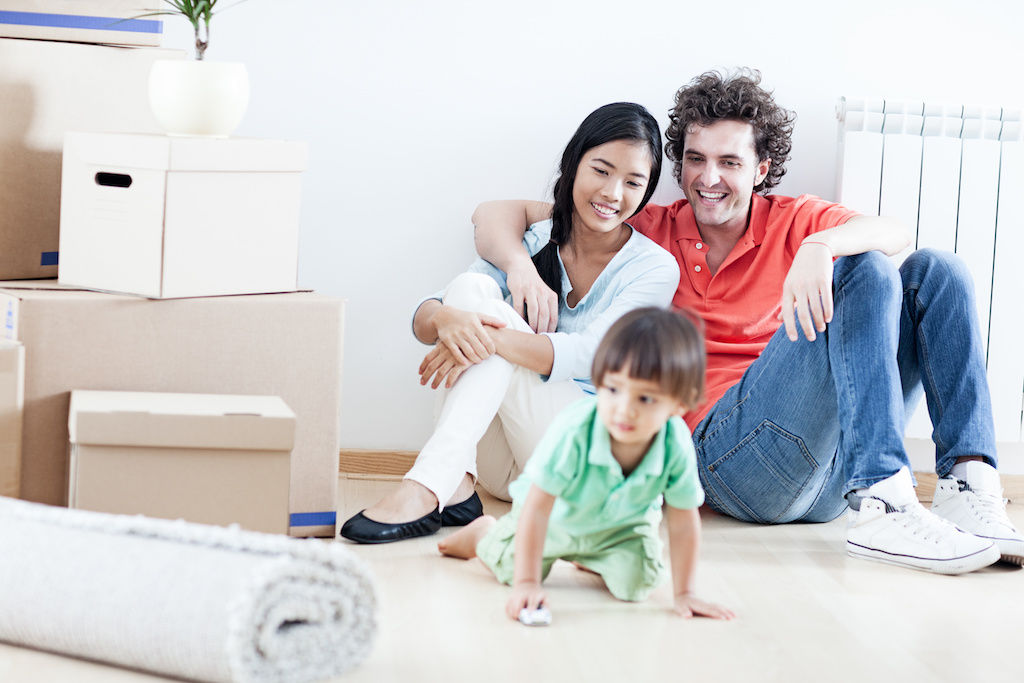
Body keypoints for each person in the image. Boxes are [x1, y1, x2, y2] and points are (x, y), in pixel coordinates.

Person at [472, 69, 1024, 574]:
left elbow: (896, 231)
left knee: (937, 270)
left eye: (730, 163)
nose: (709, 178)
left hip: (829, 474)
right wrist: (519, 265)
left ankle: (966, 483)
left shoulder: (794, 219)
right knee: (868, 273)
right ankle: (882, 494)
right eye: (695, 159)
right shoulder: (648, 230)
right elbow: (497, 212)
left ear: (761, 170)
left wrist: (819, 246)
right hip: (726, 458)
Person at [339, 102, 680, 544]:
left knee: (482, 319)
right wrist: (448, 318)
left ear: (647, 191)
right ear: (574, 165)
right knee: (468, 291)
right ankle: (456, 483)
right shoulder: (534, 241)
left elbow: (587, 357)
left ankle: (428, 486)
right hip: (503, 473)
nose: (613, 192)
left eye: (633, 182)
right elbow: (429, 317)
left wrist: (479, 334)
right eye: (601, 170)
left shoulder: (654, 268)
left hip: (578, 462)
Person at [439, 308, 734, 621]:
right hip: (553, 521)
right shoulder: (576, 429)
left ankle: (593, 557)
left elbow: (684, 519)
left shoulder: (675, 441)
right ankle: (485, 534)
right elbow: (538, 508)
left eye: (645, 399)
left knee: (640, 584)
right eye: (613, 389)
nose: (624, 410)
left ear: (680, 403)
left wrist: (685, 592)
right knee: (512, 568)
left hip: (619, 531)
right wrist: (527, 584)